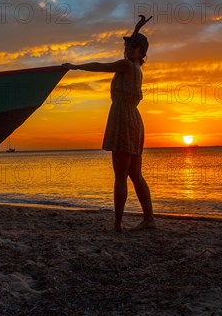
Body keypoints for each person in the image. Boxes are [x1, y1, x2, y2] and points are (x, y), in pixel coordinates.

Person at [63, 15, 156, 232]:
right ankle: (149, 219)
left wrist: (76, 66)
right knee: (134, 174)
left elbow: (102, 66)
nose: (129, 48)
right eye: (127, 45)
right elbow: (128, 50)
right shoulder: (137, 68)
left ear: (142, 53)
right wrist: (137, 28)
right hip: (134, 120)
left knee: (121, 175)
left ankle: (117, 224)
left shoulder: (125, 66)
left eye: (134, 47)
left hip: (124, 120)